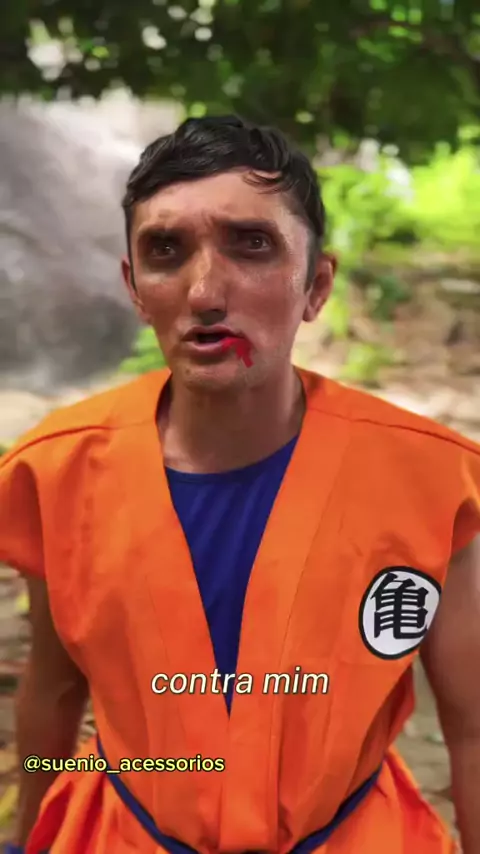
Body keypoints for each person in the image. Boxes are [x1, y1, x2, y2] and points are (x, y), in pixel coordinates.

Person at [1, 115, 479, 854]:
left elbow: (472, 725)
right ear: (135, 289)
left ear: (316, 285)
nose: (204, 292)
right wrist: (28, 834)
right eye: (166, 251)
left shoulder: (434, 480)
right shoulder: (56, 471)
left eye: (252, 244)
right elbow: (54, 689)